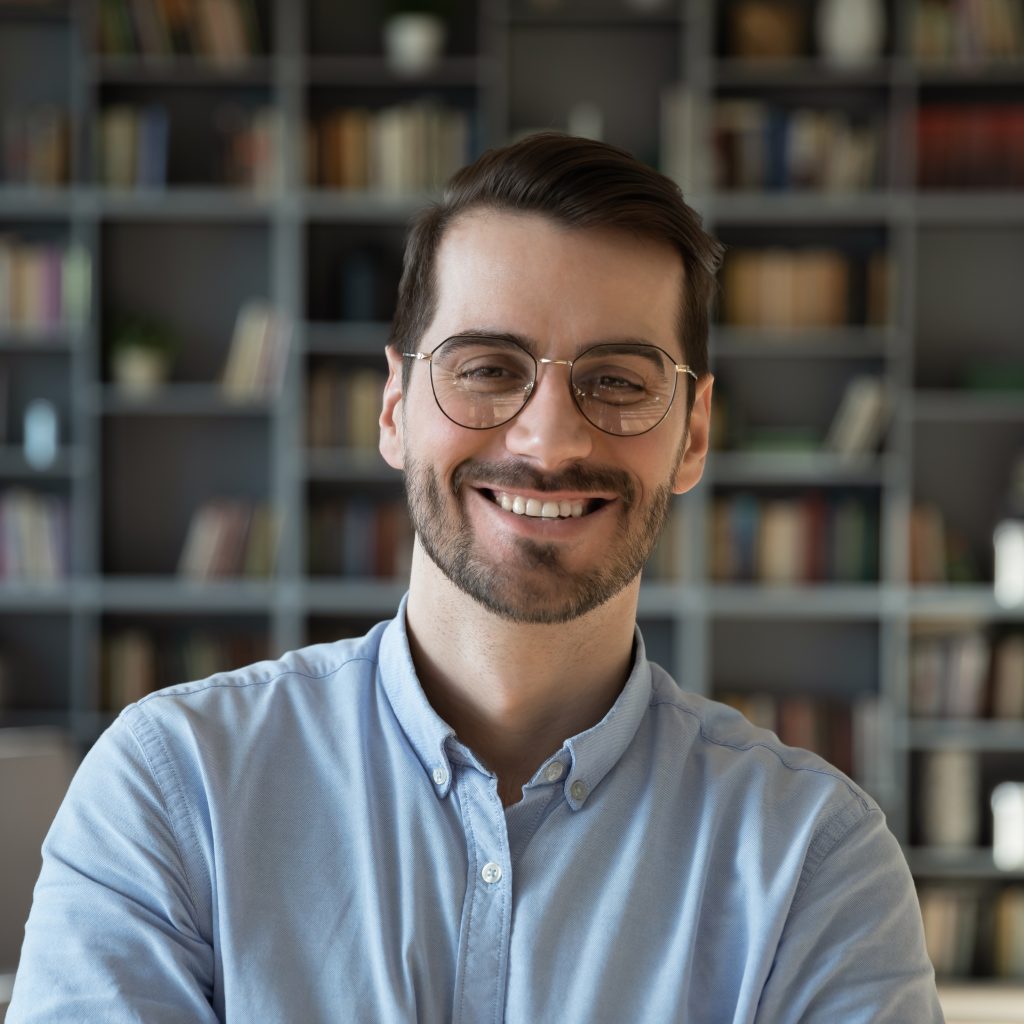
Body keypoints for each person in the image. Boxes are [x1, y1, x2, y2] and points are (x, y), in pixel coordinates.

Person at [9, 133, 942, 1023]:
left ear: (692, 433)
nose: (549, 439)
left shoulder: (814, 859)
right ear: (393, 409)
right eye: (488, 368)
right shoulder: (175, 792)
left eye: (618, 380)